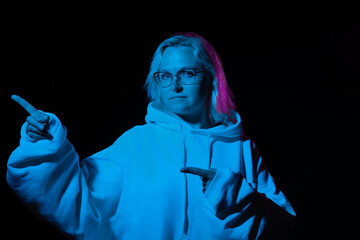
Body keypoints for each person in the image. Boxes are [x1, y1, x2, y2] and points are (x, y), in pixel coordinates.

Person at [7, 32, 296, 239]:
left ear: (210, 78)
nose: (175, 85)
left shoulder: (242, 149)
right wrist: (46, 144)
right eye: (165, 76)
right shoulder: (137, 143)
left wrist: (238, 196)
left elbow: (286, 227)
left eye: (187, 73)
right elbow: (78, 197)